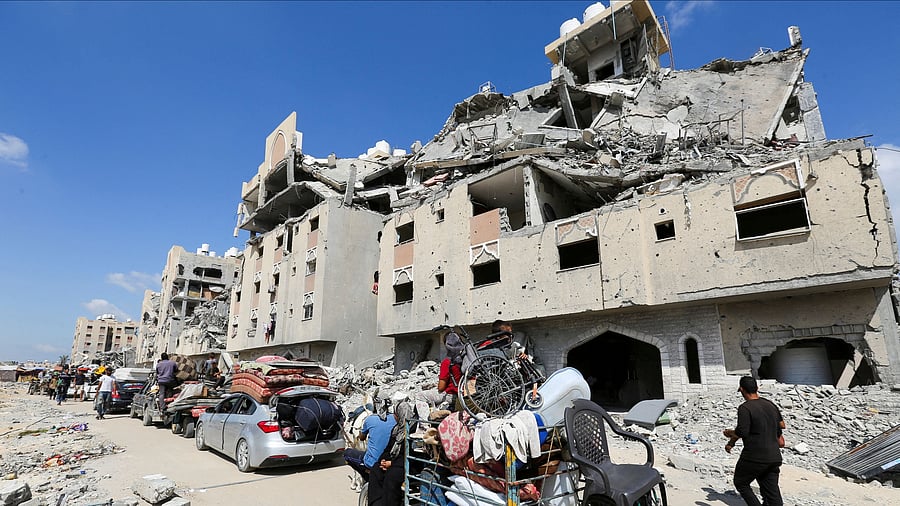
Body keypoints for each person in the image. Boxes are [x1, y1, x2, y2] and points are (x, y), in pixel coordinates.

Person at [723, 376, 786, 506]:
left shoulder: (745, 408)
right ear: (757, 388)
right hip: (774, 457)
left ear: (741, 389)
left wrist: (729, 434)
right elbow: (782, 424)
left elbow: (742, 431)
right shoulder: (770, 404)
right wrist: (731, 443)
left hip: (754, 456)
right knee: (771, 491)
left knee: (741, 483)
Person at [369, 401, 414, 506]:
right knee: (376, 469)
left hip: (406, 464)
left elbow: (409, 455)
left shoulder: (412, 430)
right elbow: (388, 448)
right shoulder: (397, 430)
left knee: (392, 476)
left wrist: (392, 464)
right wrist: (383, 460)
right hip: (394, 461)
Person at [343, 398, 397, 485]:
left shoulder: (370, 419)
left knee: (347, 453)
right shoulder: (395, 419)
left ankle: (368, 479)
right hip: (390, 459)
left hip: (373, 461)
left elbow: (361, 438)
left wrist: (362, 431)